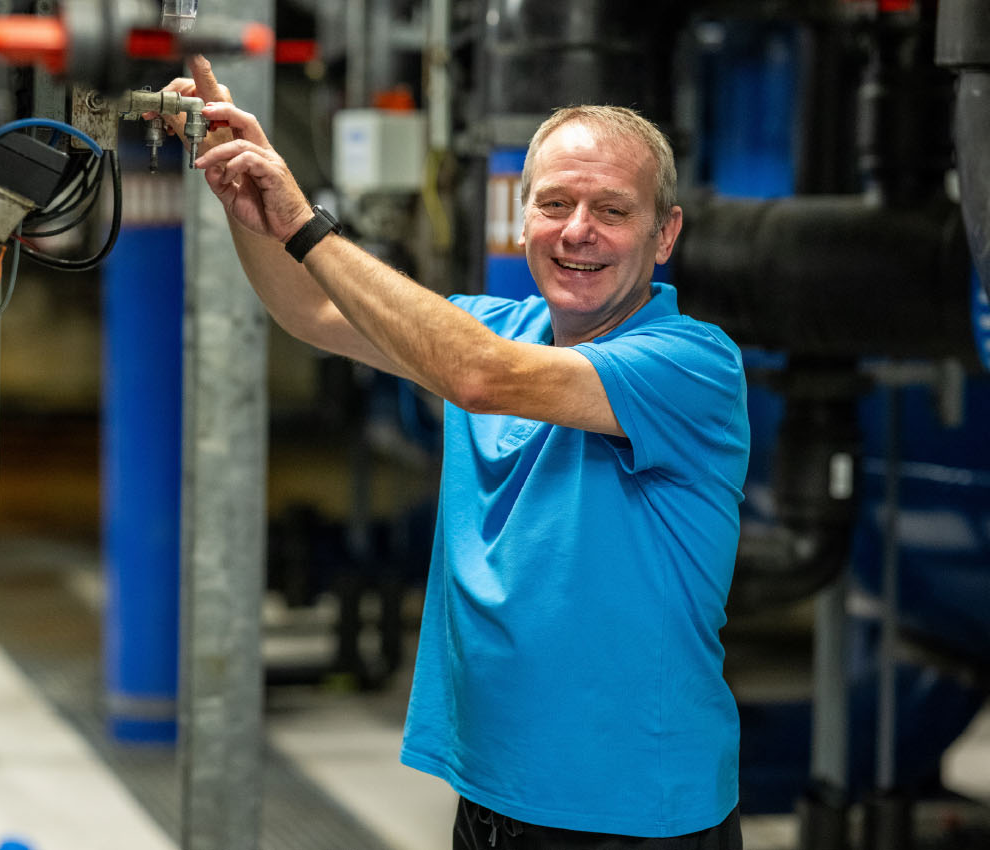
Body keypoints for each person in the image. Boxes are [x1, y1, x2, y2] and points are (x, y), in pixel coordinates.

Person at [160, 56, 750, 850]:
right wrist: (246, 199)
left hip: (632, 814)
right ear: (521, 215)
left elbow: (478, 378)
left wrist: (304, 222)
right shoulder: (492, 325)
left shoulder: (690, 363)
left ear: (665, 233)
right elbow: (310, 307)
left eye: (613, 209)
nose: (578, 230)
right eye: (556, 203)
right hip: (494, 792)